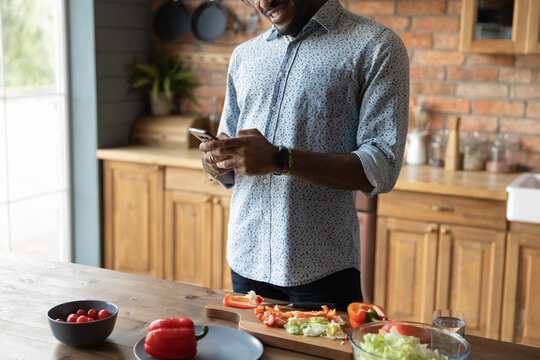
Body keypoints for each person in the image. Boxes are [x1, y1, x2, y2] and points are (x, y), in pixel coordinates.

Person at [199, 0, 409, 311]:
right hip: (246, 260)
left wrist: (280, 160)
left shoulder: (376, 46)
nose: (263, 2)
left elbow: (382, 165)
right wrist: (217, 161)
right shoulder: (244, 56)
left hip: (323, 271)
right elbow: (231, 154)